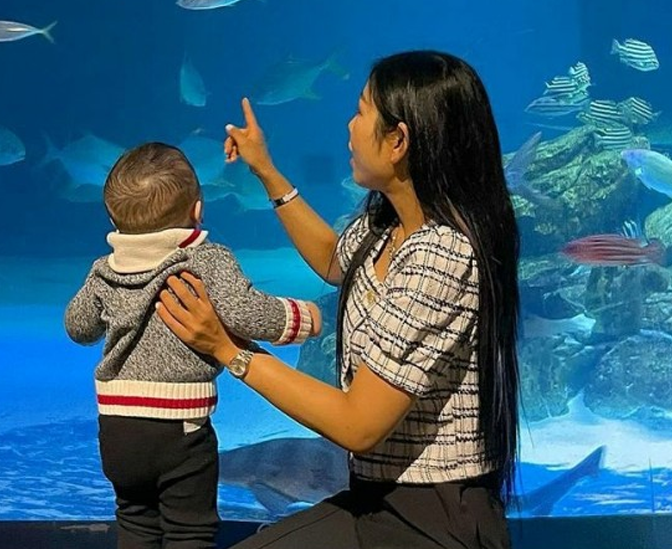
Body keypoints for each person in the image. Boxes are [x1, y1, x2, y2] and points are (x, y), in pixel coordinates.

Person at [155, 51, 520, 549]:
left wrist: (230, 351)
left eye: (361, 111)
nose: (348, 126)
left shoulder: (440, 257)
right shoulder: (386, 223)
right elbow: (334, 261)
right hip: (374, 495)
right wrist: (266, 170)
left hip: (432, 516)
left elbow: (357, 424)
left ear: (398, 141)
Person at [64, 141, 323, 549]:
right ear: (198, 211)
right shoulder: (206, 259)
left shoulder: (103, 270)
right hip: (179, 428)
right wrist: (305, 319)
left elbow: (77, 328)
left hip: (117, 427)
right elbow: (244, 314)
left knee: (135, 521)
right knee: (190, 530)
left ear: (112, 217)